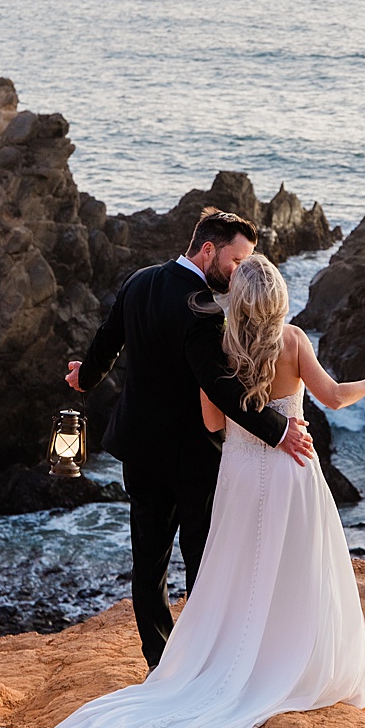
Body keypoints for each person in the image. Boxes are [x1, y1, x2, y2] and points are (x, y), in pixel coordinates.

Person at [0, 253, 365, 728]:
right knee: (297, 568)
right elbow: (330, 397)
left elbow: (212, 422)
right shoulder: (295, 340)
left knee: (238, 570)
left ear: (237, 301)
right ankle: (289, 662)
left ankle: (226, 663)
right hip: (292, 468)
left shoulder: (222, 347)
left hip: (239, 474)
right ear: (279, 297)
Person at [64, 208, 315, 668]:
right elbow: (221, 387)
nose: (239, 273)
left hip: (139, 450)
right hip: (192, 456)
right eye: (236, 261)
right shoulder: (203, 308)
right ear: (207, 250)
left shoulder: (139, 281)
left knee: (150, 563)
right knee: (203, 561)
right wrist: (278, 431)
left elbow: (109, 338)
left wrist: (87, 376)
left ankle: (160, 663)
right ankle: (204, 661)